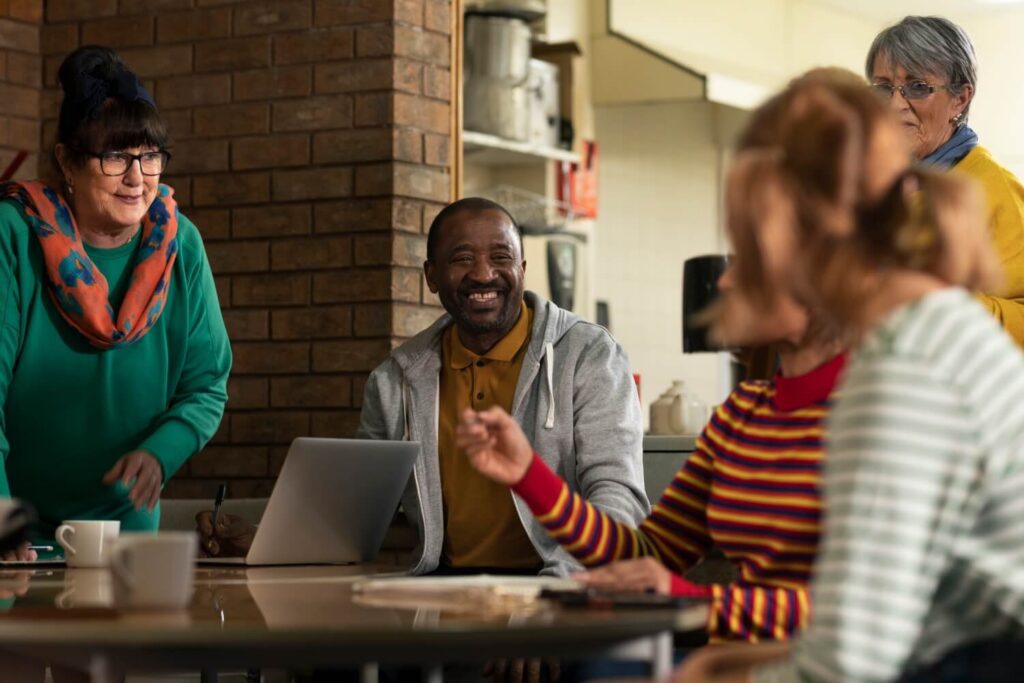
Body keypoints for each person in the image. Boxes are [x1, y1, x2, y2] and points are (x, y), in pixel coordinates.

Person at [674, 70, 1024, 682]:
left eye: (749, 245)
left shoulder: (895, 373)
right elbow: (885, 627)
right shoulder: (933, 323)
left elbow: (849, 666)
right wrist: (728, 663)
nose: (732, 277)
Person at [456, 203, 847, 643]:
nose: (726, 281)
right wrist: (531, 477)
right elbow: (647, 552)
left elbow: (866, 613)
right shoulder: (743, 413)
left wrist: (690, 603)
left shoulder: (880, 413)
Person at [200, 197, 649, 578]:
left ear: (522, 268)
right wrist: (264, 543)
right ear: (431, 276)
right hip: (446, 588)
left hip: (558, 581)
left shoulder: (588, 356)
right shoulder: (395, 379)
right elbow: (355, 515)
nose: (483, 274)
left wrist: (553, 598)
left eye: (500, 257)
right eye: (461, 259)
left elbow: (618, 501)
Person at [0, 45, 231, 561]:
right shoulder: (13, 235)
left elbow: (207, 384)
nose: (137, 177)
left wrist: (161, 451)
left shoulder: (180, 244)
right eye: (114, 157)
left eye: (149, 156)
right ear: (67, 161)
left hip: (125, 537)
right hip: (13, 531)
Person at [867, 15, 1024, 346]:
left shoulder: (994, 187)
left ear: (960, 98)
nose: (896, 104)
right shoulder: (869, 187)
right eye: (883, 88)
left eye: (918, 87)